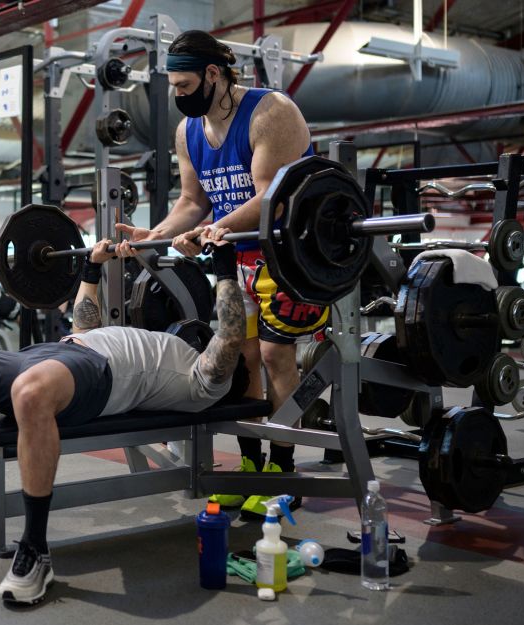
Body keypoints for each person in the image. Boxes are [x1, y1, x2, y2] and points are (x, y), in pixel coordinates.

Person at [0, 232, 247, 605]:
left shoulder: (206, 383)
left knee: (29, 393)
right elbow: (85, 324)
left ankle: (35, 549)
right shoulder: (158, 340)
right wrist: (93, 266)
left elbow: (229, 335)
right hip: (50, 353)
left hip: (97, 377)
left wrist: (224, 264)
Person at [114, 30, 326, 517]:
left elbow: (272, 196)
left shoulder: (271, 112)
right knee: (242, 358)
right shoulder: (187, 133)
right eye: (174, 85)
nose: (178, 95)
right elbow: (193, 202)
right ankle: (252, 466)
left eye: (185, 84)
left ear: (214, 74)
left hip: (290, 254)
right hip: (238, 257)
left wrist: (214, 229)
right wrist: (155, 235)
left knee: (275, 356)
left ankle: (282, 469)